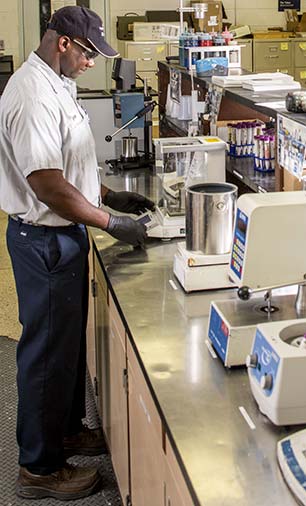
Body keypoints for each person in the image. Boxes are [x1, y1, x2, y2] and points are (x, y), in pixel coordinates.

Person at [0, 5, 155, 501]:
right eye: (89, 52)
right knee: (45, 356)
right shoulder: (31, 94)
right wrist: (111, 223)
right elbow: (46, 184)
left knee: (65, 349)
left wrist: (108, 195)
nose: (93, 62)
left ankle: (64, 432)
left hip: (64, 236)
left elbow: (68, 165)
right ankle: (38, 469)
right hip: (43, 240)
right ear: (63, 42)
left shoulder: (59, 82)